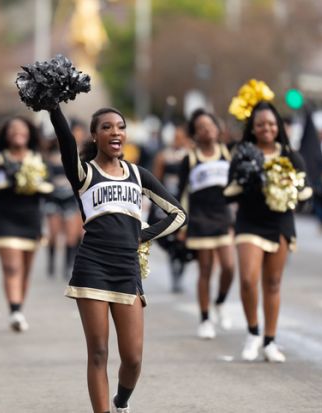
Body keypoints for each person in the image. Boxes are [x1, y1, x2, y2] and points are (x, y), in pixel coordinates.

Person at [48, 104, 186, 413]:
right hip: (92, 266)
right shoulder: (84, 173)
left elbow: (178, 214)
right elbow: (66, 143)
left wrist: (142, 236)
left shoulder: (139, 175)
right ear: (95, 135)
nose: (115, 132)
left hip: (126, 269)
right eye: (107, 127)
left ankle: (121, 402)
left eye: (120, 127)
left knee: (133, 357)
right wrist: (54, 109)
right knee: (98, 352)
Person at [224, 101, 312, 363]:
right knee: (249, 280)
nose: (267, 128)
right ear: (253, 127)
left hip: (280, 224)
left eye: (272, 124)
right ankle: (253, 332)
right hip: (249, 223)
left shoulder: (290, 156)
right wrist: (249, 181)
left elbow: (306, 190)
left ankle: (270, 341)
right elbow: (228, 191)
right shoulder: (243, 153)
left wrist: (291, 189)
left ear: (279, 127)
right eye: (261, 124)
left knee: (273, 283)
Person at [0, 116, 53, 333]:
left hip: (31, 221)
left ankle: (19, 307)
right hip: (4, 220)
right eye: (12, 130)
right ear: (6, 135)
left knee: (26, 270)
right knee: (12, 267)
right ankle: (15, 311)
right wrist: (7, 185)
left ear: (29, 134)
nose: (17, 133)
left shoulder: (38, 161)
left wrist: (33, 185)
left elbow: (49, 190)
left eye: (21, 129)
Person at [178, 109, 235, 339]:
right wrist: (181, 226)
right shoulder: (190, 159)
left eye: (210, 125)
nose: (207, 130)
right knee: (205, 270)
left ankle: (220, 302)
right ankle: (204, 318)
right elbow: (181, 194)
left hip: (223, 218)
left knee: (229, 267)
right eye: (201, 127)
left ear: (217, 128)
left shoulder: (227, 153)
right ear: (195, 134)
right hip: (200, 220)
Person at [149, 124, 193, 293]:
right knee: (169, 239)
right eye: (175, 136)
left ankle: (179, 271)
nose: (178, 139)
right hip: (167, 201)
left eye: (181, 136)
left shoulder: (190, 154)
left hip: (184, 200)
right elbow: (156, 179)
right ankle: (174, 270)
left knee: (182, 240)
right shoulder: (163, 155)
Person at [44, 120, 84, 280]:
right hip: (54, 198)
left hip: (72, 199)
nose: (78, 136)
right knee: (53, 234)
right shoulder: (52, 154)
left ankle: (68, 266)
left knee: (71, 235)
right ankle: (51, 262)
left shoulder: (84, 154)